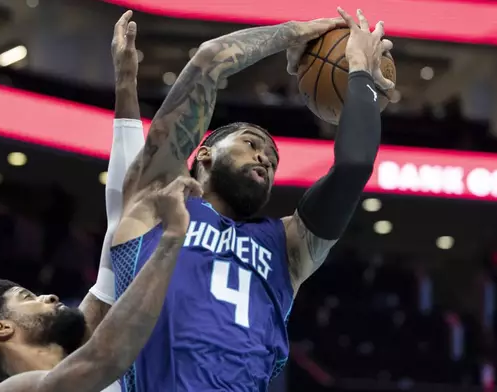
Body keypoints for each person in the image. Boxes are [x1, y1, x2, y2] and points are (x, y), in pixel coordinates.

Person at [111, 7, 395, 391]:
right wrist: (295, 33)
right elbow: (209, 59)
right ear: (204, 153)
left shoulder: (288, 248)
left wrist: (360, 71)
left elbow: (354, 166)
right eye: (250, 143)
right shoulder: (158, 201)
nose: (265, 156)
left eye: (273, 160)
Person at [0, 10, 160, 392]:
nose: (48, 294)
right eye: (27, 297)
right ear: (1, 327)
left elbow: (125, 215)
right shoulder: (11, 391)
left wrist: (126, 84)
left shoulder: (98, 365)